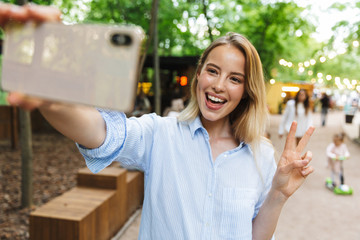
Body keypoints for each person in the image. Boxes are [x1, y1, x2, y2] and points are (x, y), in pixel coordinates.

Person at [2, 3, 315, 239]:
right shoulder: (160, 133)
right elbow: (100, 132)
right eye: (213, 71)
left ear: (246, 90)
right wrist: (48, 96)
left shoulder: (261, 155)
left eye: (235, 78)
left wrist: (278, 194)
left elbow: (255, 234)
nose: (219, 85)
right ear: (199, 74)